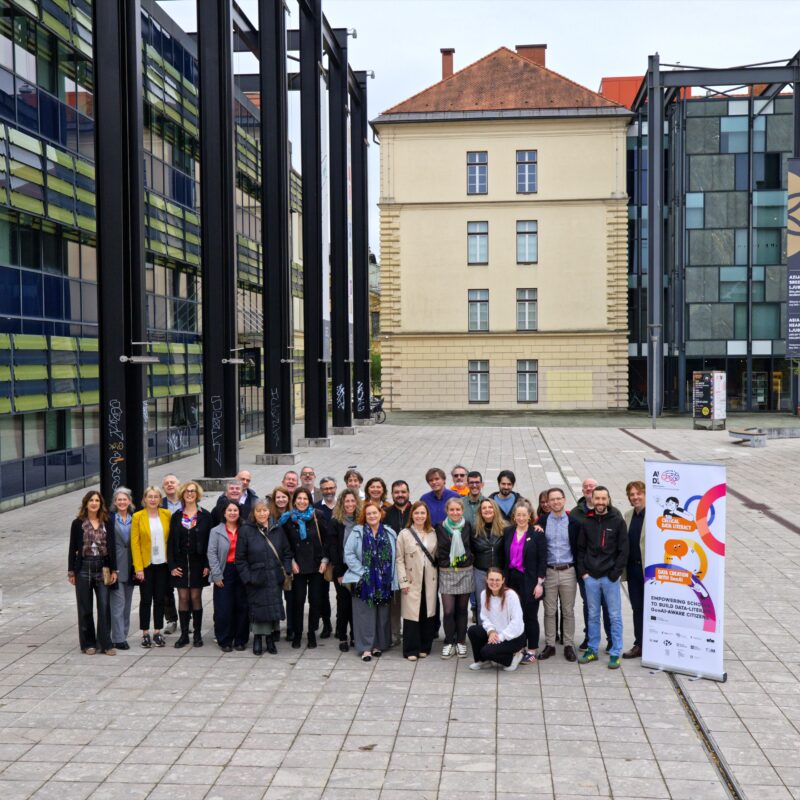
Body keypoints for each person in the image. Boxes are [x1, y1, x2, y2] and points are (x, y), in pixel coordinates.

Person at [577, 486, 628, 669]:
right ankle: (592, 649)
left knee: (614, 616)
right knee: (592, 615)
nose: (600, 502)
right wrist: (583, 572)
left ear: (608, 499)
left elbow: (624, 550)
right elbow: (581, 549)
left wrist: (615, 573)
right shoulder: (587, 522)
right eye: (597, 498)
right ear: (592, 499)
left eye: (603, 498)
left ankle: (615, 652)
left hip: (610, 577)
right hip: (590, 577)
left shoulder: (617, 521)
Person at [343, 500, 399, 661]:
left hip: (384, 581)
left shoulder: (389, 532)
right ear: (364, 516)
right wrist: (362, 572)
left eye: (375, 512)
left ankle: (378, 645)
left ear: (380, 514)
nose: (372, 516)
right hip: (363, 581)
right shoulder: (357, 532)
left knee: (382, 614)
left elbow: (396, 556)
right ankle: (365, 648)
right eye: (369, 514)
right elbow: (349, 554)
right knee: (364, 615)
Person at [236, 500, 293, 655]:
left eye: (265, 510)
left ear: (269, 512)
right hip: (256, 577)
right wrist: (248, 577)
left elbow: (287, 552)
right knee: (258, 609)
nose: (262, 514)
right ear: (253, 514)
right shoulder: (246, 530)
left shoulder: (277, 529)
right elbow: (240, 559)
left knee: (272, 608)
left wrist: (286, 570)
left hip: (274, 576)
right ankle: (257, 639)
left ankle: (269, 640)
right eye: (258, 511)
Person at [67, 490, 117, 655]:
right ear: (86, 503)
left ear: (101, 504)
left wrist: (114, 569)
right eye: (91, 500)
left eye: (97, 500)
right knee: (85, 608)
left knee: (104, 606)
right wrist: (71, 571)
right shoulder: (77, 523)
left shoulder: (107, 522)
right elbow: (72, 548)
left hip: (103, 568)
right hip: (83, 569)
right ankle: (88, 643)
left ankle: (105, 643)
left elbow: (112, 548)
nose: (94, 503)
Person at [281, 487, 329, 648]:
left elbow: (327, 540)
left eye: (305, 499)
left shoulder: (318, 515)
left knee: (315, 600)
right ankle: (297, 632)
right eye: (299, 499)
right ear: (294, 501)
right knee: (297, 601)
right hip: (298, 566)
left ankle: (311, 633)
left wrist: (324, 560)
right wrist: (291, 561)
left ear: (310, 501)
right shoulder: (288, 518)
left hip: (316, 565)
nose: (302, 502)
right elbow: (285, 544)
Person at [536, 488, 579, 662]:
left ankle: (568, 644)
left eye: (558, 499)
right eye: (551, 499)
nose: (555, 502)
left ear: (564, 499)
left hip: (568, 570)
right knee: (549, 610)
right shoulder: (543, 521)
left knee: (568, 611)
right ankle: (550, 645)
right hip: (549, 571)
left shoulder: (574, 522)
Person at [168, 481, 212, 648]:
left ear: (197, 494)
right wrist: (171, 565)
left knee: (195, 597)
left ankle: (198, 634)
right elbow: (171, 542)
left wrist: (208, 564)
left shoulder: (205, 516)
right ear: (182, 494)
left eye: (193, 491)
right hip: (180, 563)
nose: (190, 494)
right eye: (186, 491)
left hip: (198, 562)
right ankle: (184, 634)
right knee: (183, 597)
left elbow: (210, 542)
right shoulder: (177, 516)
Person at [502, 500, 547, 664]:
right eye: (518, 515)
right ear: (514, 516)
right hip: (511, 580)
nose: (521, 518)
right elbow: (503, 558)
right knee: (514, 615)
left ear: (530, 516)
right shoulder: (507, 531)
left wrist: (539, 584)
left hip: (530, 581)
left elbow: (543, 560)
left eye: (524, 515)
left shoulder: (537, 533)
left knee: (530, 616)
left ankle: (532, 649)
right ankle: (519, 646)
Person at [396, 501, 438, 660]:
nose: (420, 516)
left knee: (427, 613)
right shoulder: (404, 534)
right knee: (411, 615)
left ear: (427, 515)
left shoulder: (433, 532)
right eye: (417, 513)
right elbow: (399, 560)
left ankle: (425, 647)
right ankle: (410, 649)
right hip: (412, 579)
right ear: (411, 515)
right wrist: (403, 581)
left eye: (423, 513)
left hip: (430, 579)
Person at [572, 477, 610, 651]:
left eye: (592, 487)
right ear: (583, 491)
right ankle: (589, 637)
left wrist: (616, 570)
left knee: (608, 606)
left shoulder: (612, 513)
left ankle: (610, 638)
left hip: (607, 570)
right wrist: (581, 570)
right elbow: (575, 544)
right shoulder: (576, 513)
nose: (588, 489)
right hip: (586, 570)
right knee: (589, 606)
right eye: (586, 487)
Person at [132, 486, 173, 648]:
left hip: (163, 564)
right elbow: (135, 544)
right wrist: (138, 568)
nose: (153, 499)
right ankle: (145, 633)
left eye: (156, 497)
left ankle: (157, 632)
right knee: (146, 599)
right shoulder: (137, 517)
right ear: (144, 499)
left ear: (160, 499)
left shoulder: (166, 514)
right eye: (150, 496)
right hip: (146, 565)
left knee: (160, 599)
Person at [208, 500, 249, 652]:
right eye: (229, 510)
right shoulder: (216, 531)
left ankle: (240, 639)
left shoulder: (245, 529)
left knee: (242, 606)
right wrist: (216, 574)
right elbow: (211, 553)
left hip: (242, 570)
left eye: (235, 510)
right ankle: (224, 639)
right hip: (225, 570)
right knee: (223, 607)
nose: (232, 513)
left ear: (239, 513)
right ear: (224, 513)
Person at [436, 497, 474, 658]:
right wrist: (447, 562)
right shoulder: (439, 528)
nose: (455, 512)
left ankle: (460, 641)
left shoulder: (467, 526)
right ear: (447, 511)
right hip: (446, 572)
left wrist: (467, 559)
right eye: (451, 510)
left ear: (462, 510)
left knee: (462, 609)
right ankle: (449, 642)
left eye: (458, 510)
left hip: (465, 571)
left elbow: (471, 546)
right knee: (449, 610)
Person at [467, 567, 527, 671]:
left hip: (513, 637)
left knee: (486, 651)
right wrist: (491, 631)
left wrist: (499, 637)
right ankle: (483, 661)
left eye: (497, 580)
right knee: (473, 631)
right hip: (496, 633)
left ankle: (514, 657)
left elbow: (516, 623)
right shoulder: (484, 594)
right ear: (486, 579)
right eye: (491, 579)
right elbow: (484, 617)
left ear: (503, 580)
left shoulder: (511, 596)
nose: (494, 583)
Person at [328, 489, 362, 651]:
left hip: (358, 568)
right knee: (343, 604)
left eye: (352, 501)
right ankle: (342, 636)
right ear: (342, 503)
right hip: (342, 569)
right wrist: (340, 573)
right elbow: (333, 548)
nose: (350, 504)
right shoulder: (336, 522)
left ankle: (355, 635)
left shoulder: (361, 521)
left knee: (357, 603)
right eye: (347, 501)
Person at [384, 480, 412, 646]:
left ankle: (411, 633)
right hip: (392, 564)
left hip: (412, 563)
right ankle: (395, 635)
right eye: (397, 492)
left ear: (408, 493)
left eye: (403, 491)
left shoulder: (416, 510)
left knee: (411, 601)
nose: (400, 495)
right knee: (394, 603)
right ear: (392, 494)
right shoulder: (385, 513)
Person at [471, 498, 505, 624]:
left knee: (500, 603)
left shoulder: (505, 528)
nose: (487, 510)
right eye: (484, 508)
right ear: (480, 511)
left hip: (499, 573)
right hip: (480, 572)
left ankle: (499, 633)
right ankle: (482, 633)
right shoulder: (474, 530)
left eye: (490, 507)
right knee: (482, 604)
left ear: (495, 509)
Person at [622, 481, 646, 659]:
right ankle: (639, 644)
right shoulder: (628, 515)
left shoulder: (655, 516)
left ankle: (653, 643)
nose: (635, 497)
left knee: (652, 608)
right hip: (633, 570)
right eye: (632, 494)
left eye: (638, 493)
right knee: (637, 607)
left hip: (650, 571)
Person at [109, 487, 135, 650]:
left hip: (131, 566)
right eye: (119, 499)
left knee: (127, 604)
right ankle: (118, 638)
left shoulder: (136, 518)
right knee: (118, 604)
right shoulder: (110, 520)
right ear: (114, 502)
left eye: (125, 499)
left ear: (130, 501)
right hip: (116, 566)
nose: (122, 502)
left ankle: (123, 635)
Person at [270, 486, 295, 641]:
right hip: (273, 561)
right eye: (278, 497)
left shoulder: (293, 515)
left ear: (288, 498)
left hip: (289, 560)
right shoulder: (269, 516)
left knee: (290, 597)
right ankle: (275, 628)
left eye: (283, 497)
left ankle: (291, 627)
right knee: (274, 597)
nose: (281, 500)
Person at [314, 476, 338, 638]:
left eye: (331, 488)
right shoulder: (315, 508)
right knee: (322, 594)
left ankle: (343, 624)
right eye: (325, 489)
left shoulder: (343, 506)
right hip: (321, 557)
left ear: (336, 488)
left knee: (342, 593)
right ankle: (327, 625)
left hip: (337, 556)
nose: (328, 491)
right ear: (320, 490)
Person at [160, 474, 181, 633]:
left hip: (184, 550)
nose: (170, 485)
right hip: (165, 551)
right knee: (166, 589)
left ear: (178, 484)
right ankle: (171, 620)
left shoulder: (187, 502)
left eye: (172, 482)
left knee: (186, 588)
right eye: (166, 483)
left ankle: (188, 619)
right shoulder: (159, 505)